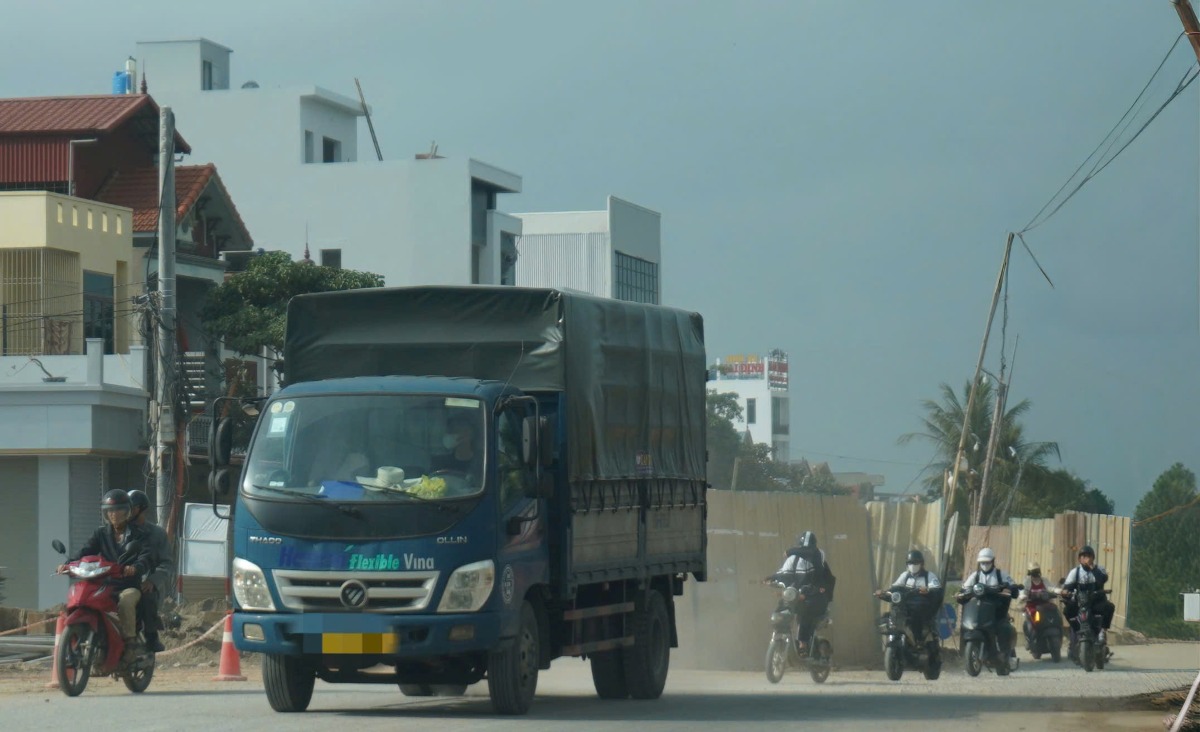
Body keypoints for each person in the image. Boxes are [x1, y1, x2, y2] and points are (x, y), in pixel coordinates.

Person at [58, 489, 152, 663]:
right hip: (104, 583)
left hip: (128, 584)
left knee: (126, 601)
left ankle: (130, 643)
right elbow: (85, 552)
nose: (114, 514)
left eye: (118, 510)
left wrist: (135, 567)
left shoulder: (139, 534)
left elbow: (145, 557)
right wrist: (68, 564)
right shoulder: (100, 534)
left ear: (128, 511)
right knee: (83, 597)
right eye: (110, 511)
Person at [768, 531, 836, 655]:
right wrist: (771, 579)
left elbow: (810, 553)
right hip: (797, 595)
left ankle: (803, 643)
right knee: (783, 605)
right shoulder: (793, 560)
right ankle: (779, 632)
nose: (806, 551)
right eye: (803, 548)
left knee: (805, 609)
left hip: (817, 596)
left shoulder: (818, 556)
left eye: (808, 547)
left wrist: (790, 551)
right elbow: (783, 574)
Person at [958, 547, 1019, 659]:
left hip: (997, 613)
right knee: (965, 627)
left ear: (993, 561)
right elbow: (963, 589)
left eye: (987, 562)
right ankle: (963, 654)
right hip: (978, 613)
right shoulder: (975, 576)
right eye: (982, 562)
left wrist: (1009, 589)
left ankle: (1005, 655)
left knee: (1003, 628)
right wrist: (962, 594)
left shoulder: (1001, 575)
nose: (985, 564)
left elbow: (1013, 587)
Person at [128, 490, 169, 653]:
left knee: (147, 597)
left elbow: (166, 563)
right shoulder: (118, 531)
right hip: (119, 580)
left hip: (144, 582)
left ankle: (151, 636)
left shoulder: (157, 534)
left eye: (130, 508)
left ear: (140, 509)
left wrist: (152, 580)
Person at [876, 549, 944, 645]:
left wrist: (928, 591)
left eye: (915, 563)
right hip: (905, 606)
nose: (913, 565)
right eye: (910, 563)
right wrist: (884, 593)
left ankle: (918, 639)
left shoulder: (929, 576)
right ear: (907, 564)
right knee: (893, 611)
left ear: (921, 564)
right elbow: (895, 588)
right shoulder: (905, 576)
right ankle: (895, 631)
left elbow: (937, 590)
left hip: (922, 608)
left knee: (918, 614)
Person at [1060, 545, 1114, 649]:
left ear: (1093, 558)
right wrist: (1065, 592)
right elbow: (1067, 587)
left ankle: (1102, 631)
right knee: (1067, 610)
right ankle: (1076, 631)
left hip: (1096, 602)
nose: (1086, 559)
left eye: (1089, 556)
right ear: (1079, 559)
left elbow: (1102, 580)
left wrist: (1092, 568)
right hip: (1081, 603)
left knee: (1109, 607)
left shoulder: (1099, 569)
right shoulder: (1075, 572)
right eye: (1083, 556)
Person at [434, 411, 481, 476]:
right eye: (451, 431)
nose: (451, 435)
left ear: (470, 434)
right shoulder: (441, 462)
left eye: (457, 431)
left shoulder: (481, 463)